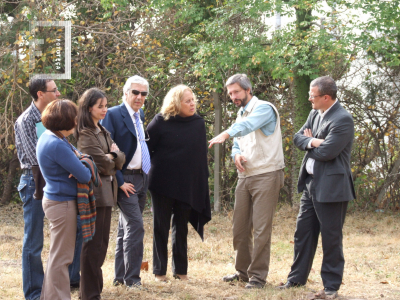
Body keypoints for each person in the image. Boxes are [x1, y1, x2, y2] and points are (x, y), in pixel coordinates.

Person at [277, 76, 355, 299]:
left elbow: (328, 152)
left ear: (326, 97)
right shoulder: (314, 113)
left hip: (332, 187)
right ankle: (296, 279)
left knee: (331, 237)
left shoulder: (342, 119)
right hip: (311, 184)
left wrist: (311, 143)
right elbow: (296, 138)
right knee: (303, 233)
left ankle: (331, 288)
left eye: (312, 95)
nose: (309, 98)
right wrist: (314, 141)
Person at [209, 74, 285, 289]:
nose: (233, 96)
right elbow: (238, 142)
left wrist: (224, 134)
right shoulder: (240, 113)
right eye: (230, 93)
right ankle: (242, 273)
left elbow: (249, 126)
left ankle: (258, 277)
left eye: (236, 92)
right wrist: (236, 155)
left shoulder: (264, 108)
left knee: (261, 229)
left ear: (248, 89)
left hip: (267, 174)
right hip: (246, 175)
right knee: (240, 228)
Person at [14, 76, 81, 300]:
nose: (58, 94)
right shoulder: (26, 120)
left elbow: (69, 151)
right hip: (34, 181)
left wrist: (73, 162)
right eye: (54, 90)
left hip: (55, 182)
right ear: (40, 94)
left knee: (69, 236)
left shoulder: (54, 117)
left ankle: (65, 283)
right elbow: (39, 158)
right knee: (34, 242)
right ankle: (34, 293)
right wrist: (70, 165)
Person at [146, 85, 211, 282]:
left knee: (181, 227)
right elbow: (146, 150)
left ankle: (181, 271)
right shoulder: (159, 121)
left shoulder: (198, 123)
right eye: (188, 101)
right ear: (176, 103)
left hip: (186, 184)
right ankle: (159, 272)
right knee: (161, 226)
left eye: (193, 100)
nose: (193, 104)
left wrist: (200, 184)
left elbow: (200, 157)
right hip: (162, 182)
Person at [36, 99, 93, 300]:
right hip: (63, 204)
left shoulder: (50, 137)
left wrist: (79, 163)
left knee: (57, 256)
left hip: (56, 201)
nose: (77, 121)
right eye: (74, 117)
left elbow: (80, 162)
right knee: (62, 258)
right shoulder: (56, 144)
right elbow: (85, 175)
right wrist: (82, 164)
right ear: (66, 120)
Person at [101, 75, 151, 289]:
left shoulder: (140, 115)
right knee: (136, 226)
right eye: (135, 93)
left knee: (126, 229)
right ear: (125, 93)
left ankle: (120, 277)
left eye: (143, 94)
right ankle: (133, 280)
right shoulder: (112, 114)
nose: (139, 97)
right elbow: (106, 151)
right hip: (125, 179)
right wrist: (119, 181)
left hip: (141, 177)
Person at [75, 88, 126, 300]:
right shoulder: (86, 133)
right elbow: (103, 165)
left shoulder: (103, 130)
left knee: (101, 245)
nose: (105, 109)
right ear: (89, 108)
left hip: (107, 194)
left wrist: (113, 156)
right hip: (96, 195)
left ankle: (94, 290)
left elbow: (119, 159)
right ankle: (89, 293)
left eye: (106, 105)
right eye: (100, 106)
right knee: (93, 246)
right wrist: (113, 155)